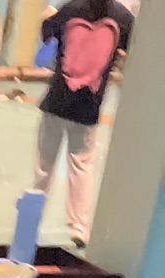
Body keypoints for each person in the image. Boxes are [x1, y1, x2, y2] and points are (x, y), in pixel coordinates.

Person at [33, 0, 133, 248]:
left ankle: (31, 219)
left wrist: (48, 20)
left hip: (57, 101)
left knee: (44, 167)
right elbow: (131, 52)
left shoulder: (70, 9)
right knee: (81, 168)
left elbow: (47, 33)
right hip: (88, 107)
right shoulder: (123, 18)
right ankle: (79, 227)